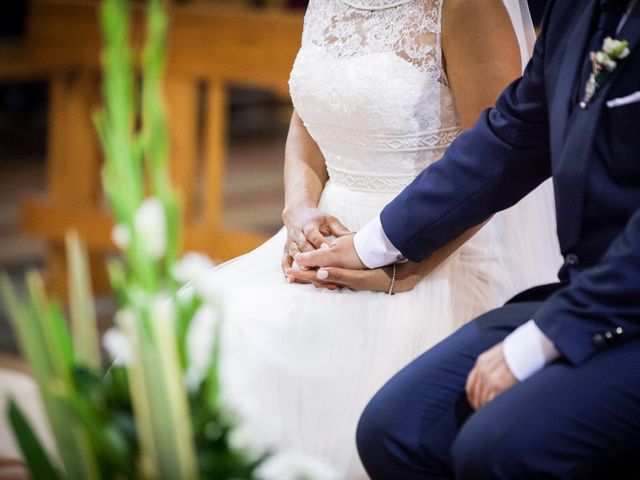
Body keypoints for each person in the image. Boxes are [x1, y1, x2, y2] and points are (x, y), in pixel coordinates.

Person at [208, 0, 560, 477]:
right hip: (320, 242)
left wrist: (405, 264)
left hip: (433, 249)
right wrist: (299, 210)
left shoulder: (468, 6)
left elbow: (497, 158)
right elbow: (310, 117)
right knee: (213, 344)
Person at [295, 0, 640, 478]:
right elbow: (512, 135)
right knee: (392, 430)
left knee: (495, 446)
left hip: (620, 301)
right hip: (588, 288)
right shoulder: (578, 9)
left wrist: (545, 337)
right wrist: (374, 242)